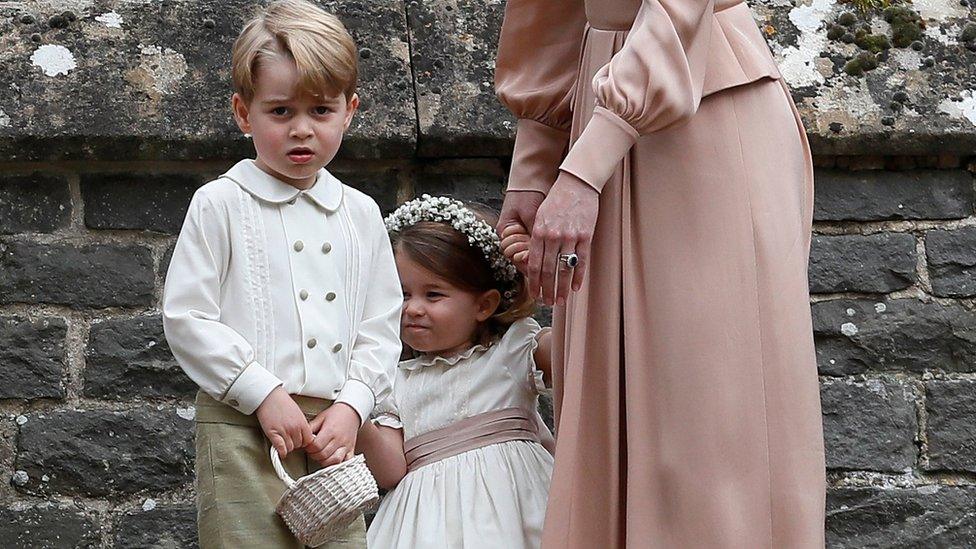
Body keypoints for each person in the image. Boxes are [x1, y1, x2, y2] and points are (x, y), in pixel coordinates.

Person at [493, 0, 827, 547]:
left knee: (707, 429)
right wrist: (535, 159)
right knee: (609, 427)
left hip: (704, 117)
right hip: (600, 121)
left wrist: (583, 169)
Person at [161, 2, 401, 546]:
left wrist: (353, 406)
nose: (301, 130)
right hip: (241, 424)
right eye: (279, 112)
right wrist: (262, 392)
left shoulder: (361, 213)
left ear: (349, 110)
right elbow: (187, 317)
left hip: (334, 435)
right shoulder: (219, 203)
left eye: (320, 111)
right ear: (244, 114)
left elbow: (380, 326)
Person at [356, 195, 555, 549]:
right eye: (401, 295)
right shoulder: (394, 379)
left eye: (433, 295)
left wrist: (550, 282)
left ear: (484, 304)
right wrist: (354, 410)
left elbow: (573, 355)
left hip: (516, 508)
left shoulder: (513, 350)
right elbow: (390, 471)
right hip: (425, 526)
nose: (412, 309)